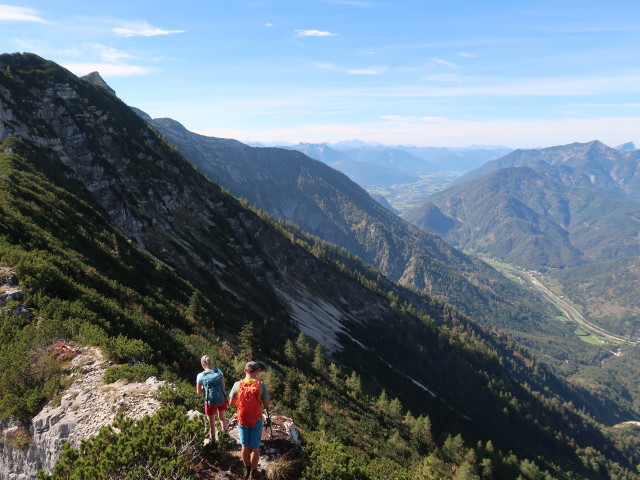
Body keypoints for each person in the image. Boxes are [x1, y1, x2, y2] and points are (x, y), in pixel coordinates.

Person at [229, 361, 270, 480]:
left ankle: (246, 468)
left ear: (245, 371)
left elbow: (231, 403)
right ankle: (253, 470)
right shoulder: (260, 385)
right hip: (256, 420)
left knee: (244, 446)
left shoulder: (237, 384)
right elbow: (266, 404)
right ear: (256, 371)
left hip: (242, 420)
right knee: (255, 447)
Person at [196, 355, 228, 440]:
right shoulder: (218, 371)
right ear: (211, 363)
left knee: (211, 423)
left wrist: (204, 387)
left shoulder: (200, 376)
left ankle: (213, 440)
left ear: (202, 364)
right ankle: (225, 437)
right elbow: (223, 386)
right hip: (221, 399)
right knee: (222, 418)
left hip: (209, 402)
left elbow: (198, 392)